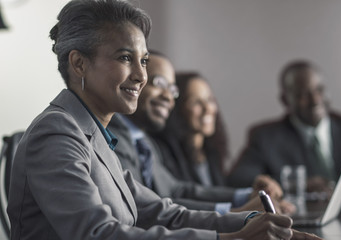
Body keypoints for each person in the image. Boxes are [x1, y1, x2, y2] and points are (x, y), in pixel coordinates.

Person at [6, 1, 322, 239]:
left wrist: (255, 221)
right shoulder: (57, 133)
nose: (142, 76)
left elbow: (164, 213)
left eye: (143, 61)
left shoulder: (96, 136)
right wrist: (228, 238)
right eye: (125, 58)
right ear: (79, 64)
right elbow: (98, 234)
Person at [109, 50, 298, 215]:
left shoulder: (144, 140)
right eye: (159, 83)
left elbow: (176, 191)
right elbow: (143, 207)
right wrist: (233, 213)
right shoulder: (114, 136)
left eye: (172, 89)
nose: (167, 96)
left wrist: (247, 196)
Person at [227, 60, 341, 191]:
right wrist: (297, 184)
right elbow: (239, 180)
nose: (315, 100)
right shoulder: (266, 138)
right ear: (285, 100)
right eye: (303, 94)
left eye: (320, 90)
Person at [152, 71, 230, 187]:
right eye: (196, 102)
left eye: (209, 99)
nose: (207, 108)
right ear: (177, 107)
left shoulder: (211, 152)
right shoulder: (163, 151)